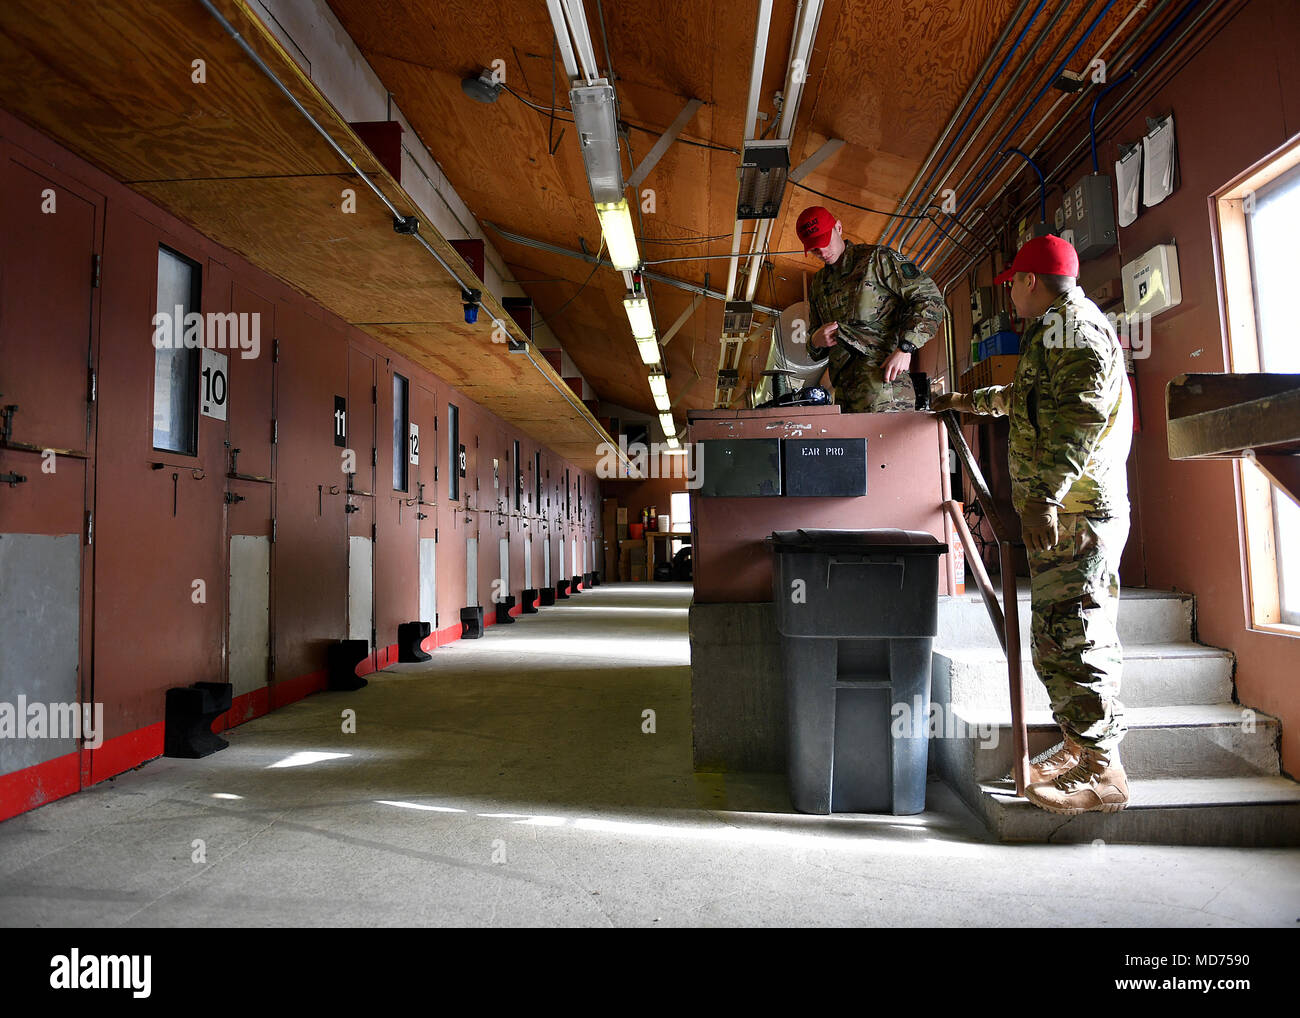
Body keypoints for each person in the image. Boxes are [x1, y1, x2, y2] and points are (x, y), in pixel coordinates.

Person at [932, 234, 1133, 815]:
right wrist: (966, 402)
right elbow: (1030, 397)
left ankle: (1103, 770)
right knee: (1056, 640)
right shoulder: (1056, 330)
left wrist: (1043, 498)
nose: (1009, 299)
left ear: (1027, 280)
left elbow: (1080, 419)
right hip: (1062, 516)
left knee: (1078, 637)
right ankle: (1078, 747)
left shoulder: (1077, 332)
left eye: (1010, 286)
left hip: (1077, 516)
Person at [796, 205, 944, 412]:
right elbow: (814, 343)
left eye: (824, 242)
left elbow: (930, 299)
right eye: (813, 249)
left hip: (885, 389)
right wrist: (815, 340)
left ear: (838, 228)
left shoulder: (877, 260)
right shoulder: (819, 284)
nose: (821, 252)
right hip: (845, 395)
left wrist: (907, 348)